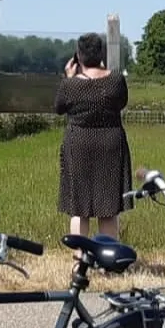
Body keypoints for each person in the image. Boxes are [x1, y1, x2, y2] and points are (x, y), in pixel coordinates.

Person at [55, 33, 131, 241]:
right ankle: (108, 257)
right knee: (108, 208)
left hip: (78, 144)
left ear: (78, 56)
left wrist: (69, 78)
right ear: (101, 54)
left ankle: (81, 258)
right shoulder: (116, 80)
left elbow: (59, 107)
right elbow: (122, 103)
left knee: (79, 208)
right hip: (110, 144)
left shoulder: (70, 86)